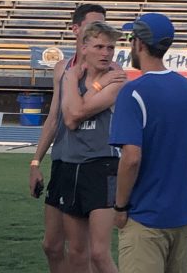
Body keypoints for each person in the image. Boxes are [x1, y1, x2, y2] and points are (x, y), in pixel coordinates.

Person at [109, 12, 187, 273]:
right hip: (184, 215)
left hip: (146, 217)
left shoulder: (133, 92)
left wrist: (120, 207)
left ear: (139, 43)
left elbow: (131, 158)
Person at [28, 3, 115, 273]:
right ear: (76, 30)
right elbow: (54, 117)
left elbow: (73, 116)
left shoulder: (112, 72)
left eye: (104, 25)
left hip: (94, 162)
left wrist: (82, 83)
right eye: (93, 25)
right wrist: (35, 162)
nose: (100, 30)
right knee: (52, 245)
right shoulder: (63, 68)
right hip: (64, 161)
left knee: (86, 251)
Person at [59, 21, 126, 273]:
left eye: (110, 48)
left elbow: (74, 115)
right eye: (99, 47)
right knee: (76, 251)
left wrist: (74, 83)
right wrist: (71, 80)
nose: (106, 53)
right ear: (84, 48)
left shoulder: (117, 79)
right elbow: (69, 119)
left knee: (99, 253)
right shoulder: (72, 76)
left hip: (102, 165)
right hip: (71, 164)